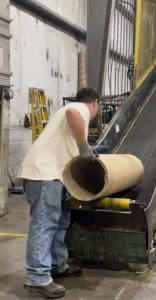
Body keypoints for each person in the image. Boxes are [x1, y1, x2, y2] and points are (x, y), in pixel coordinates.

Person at [18, 87, 101, 299]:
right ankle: (37, 278)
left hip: (55, 177)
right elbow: (72, 115)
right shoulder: (78, 108)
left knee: (61, 220)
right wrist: (84, 146)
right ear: (95, 103)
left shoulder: (70, 119)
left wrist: (85, 150)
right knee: (45, 224)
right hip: (44, 175)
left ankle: (57, 265)